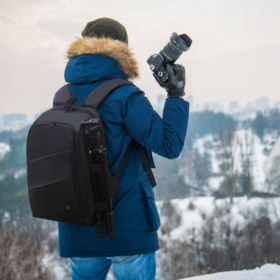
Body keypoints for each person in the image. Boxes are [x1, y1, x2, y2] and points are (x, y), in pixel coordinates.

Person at [55, 17, 189, 280]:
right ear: (122, 50)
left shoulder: (62, 97)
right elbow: (169, 144)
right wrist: (175, 95)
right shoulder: (126, 95)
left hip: (78, 230)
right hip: (128, 229)